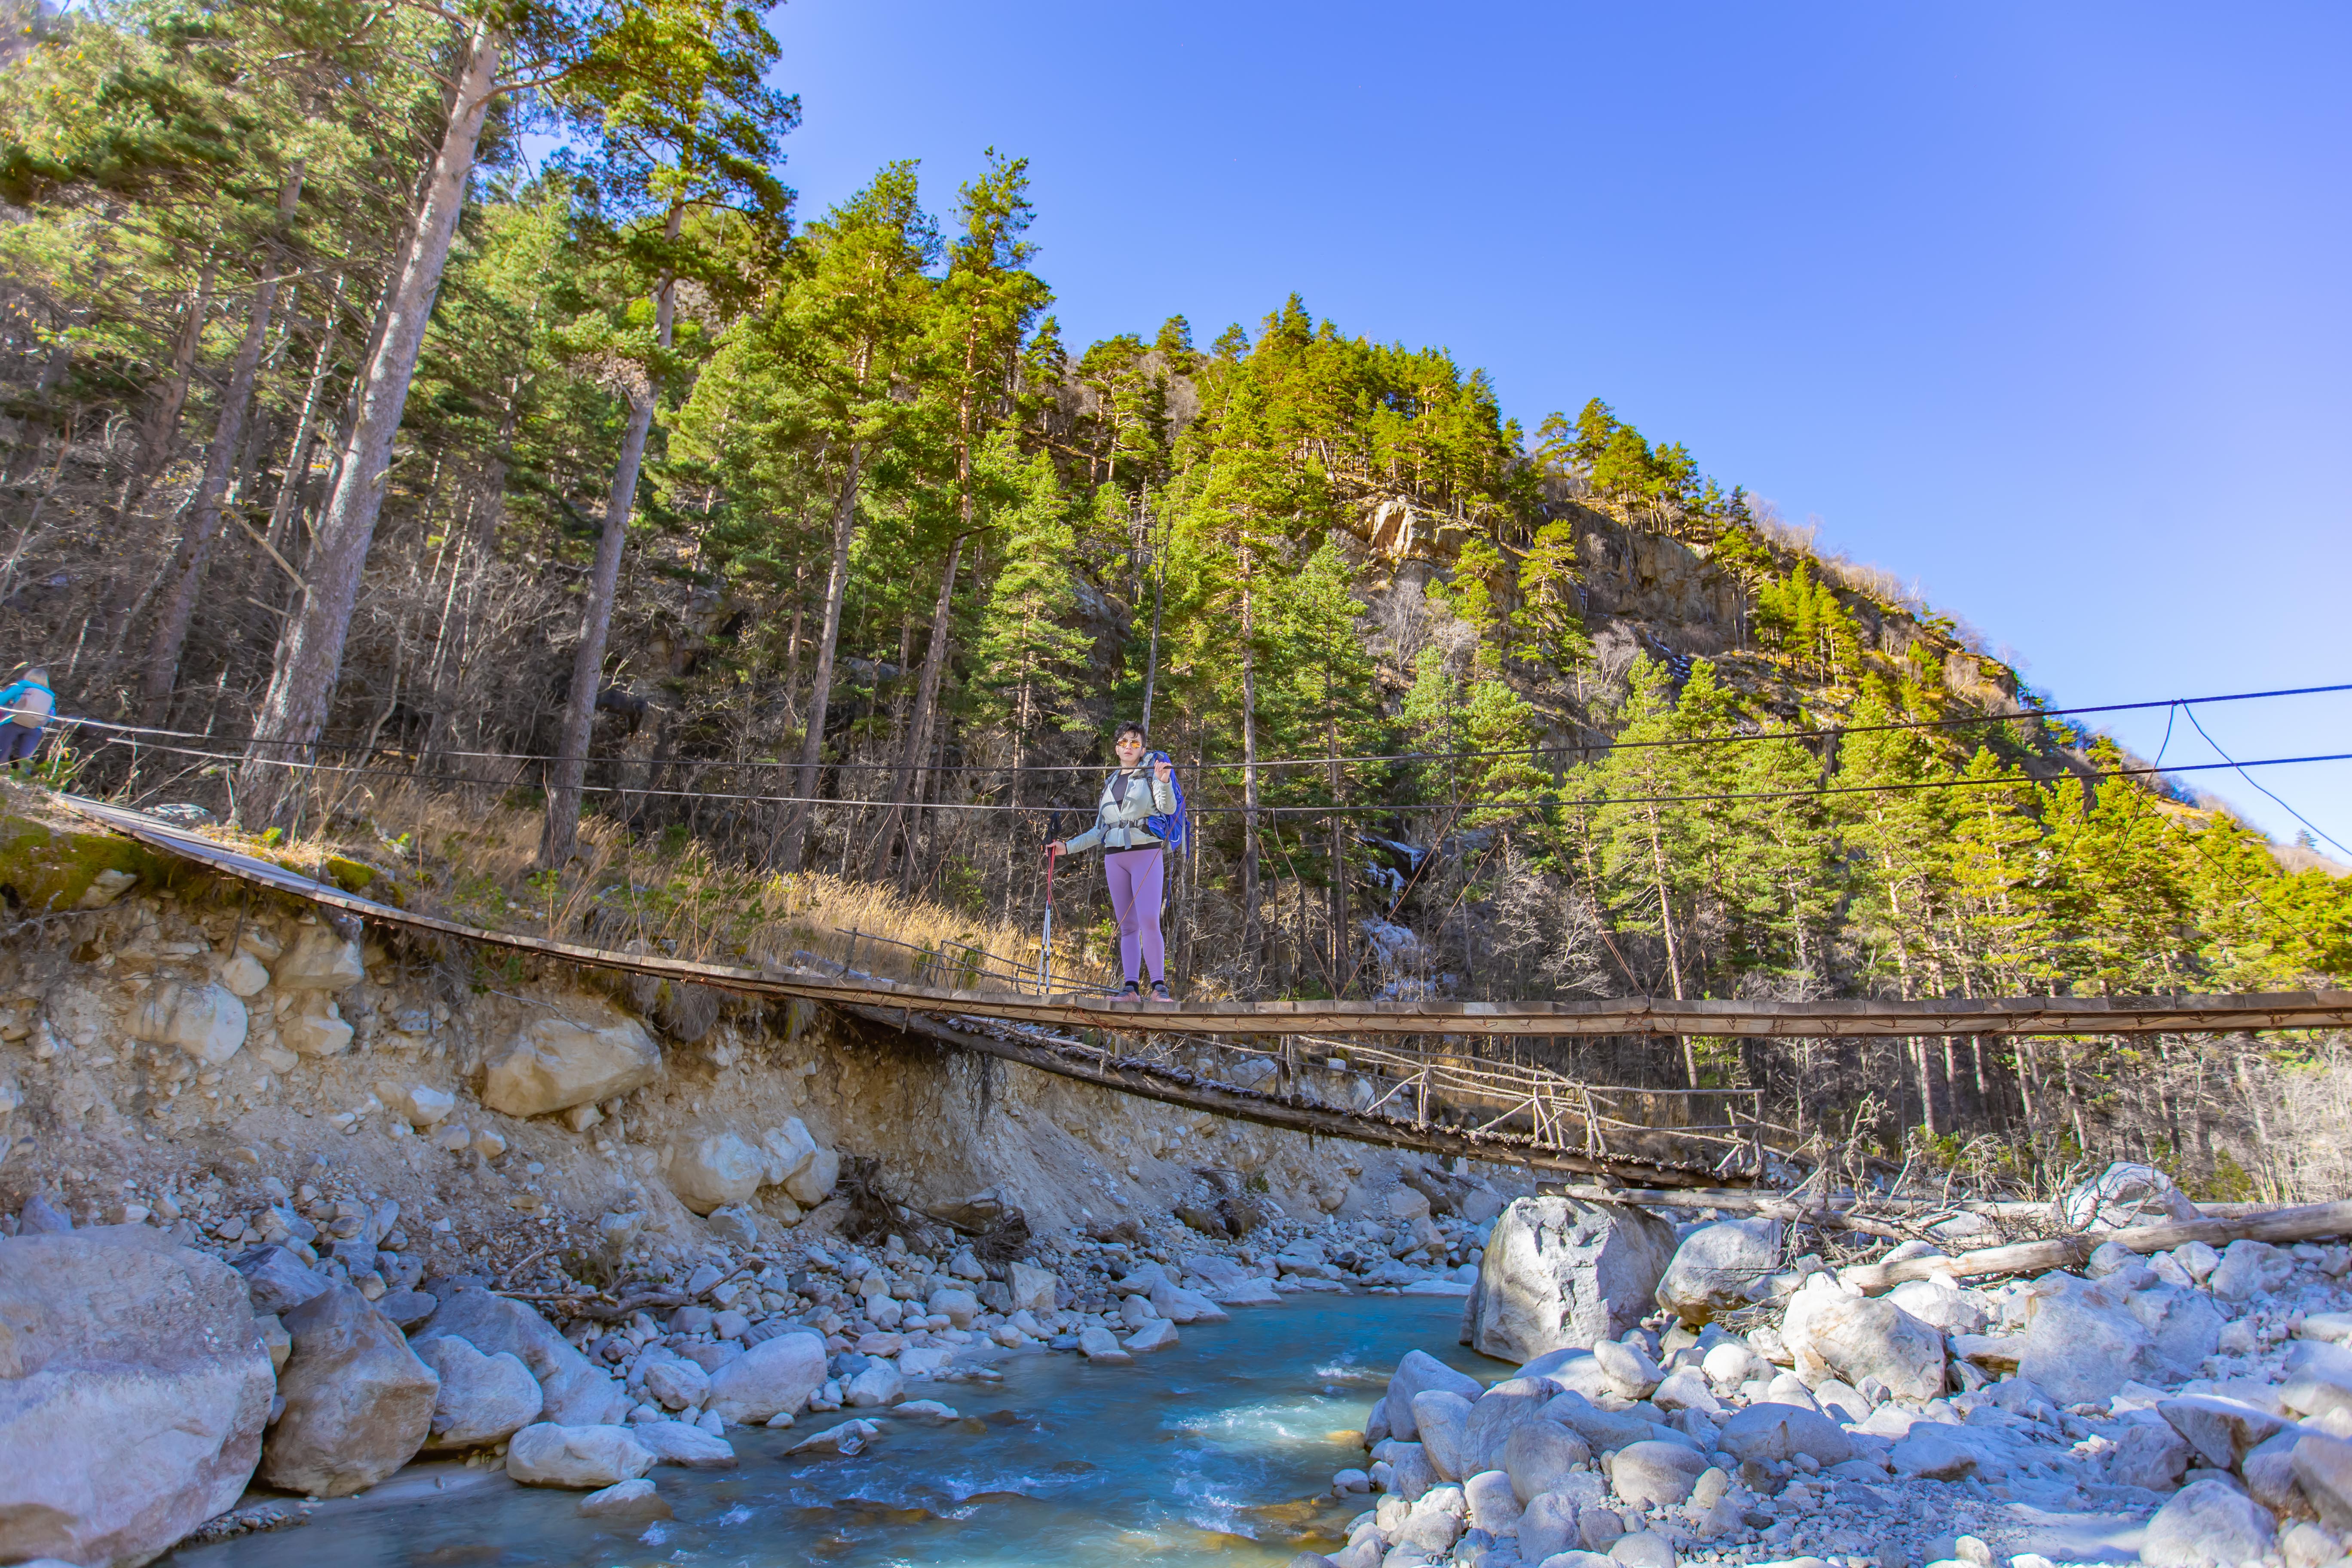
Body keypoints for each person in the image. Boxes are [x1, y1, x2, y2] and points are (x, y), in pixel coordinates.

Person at [1046, 721, 1178, 1001]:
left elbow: (1168, 808)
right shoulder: (1109, 782)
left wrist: (1164, 783)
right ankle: (1130, 989)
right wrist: (1066, 848)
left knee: (1149, 920)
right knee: (1127, 925)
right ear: (1116, 748)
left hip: (1147, 853)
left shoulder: (1151, 774)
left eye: (1135, 742)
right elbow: (1099, 832)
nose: (1128, 747)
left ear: (1143, 748)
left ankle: (1159, 988)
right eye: (1123, 743)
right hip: (1115, 859)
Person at [0, 664, 53, 773]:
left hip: (13, 723)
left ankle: (2, 773)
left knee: (2, 749)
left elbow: (1, 701)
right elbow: (52, 717)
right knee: (26, 760)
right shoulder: (50, 696)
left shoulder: (21, 687)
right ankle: (23, 783)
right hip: (35, 728)